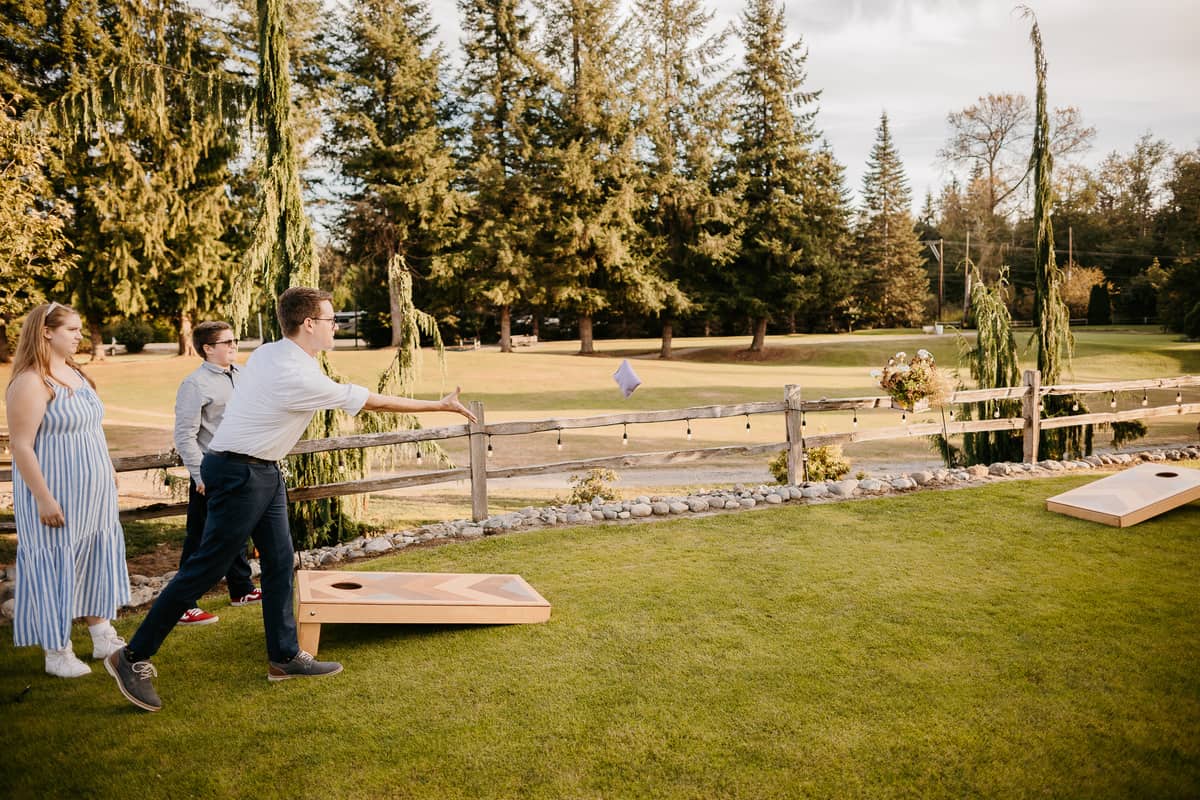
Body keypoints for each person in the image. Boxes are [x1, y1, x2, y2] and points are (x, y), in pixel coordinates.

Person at [106, 287, 477, 711]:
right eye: (332, 320)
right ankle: (132, 656)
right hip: (239, 471)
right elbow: (372, 402)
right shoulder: (297, 376)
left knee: (282, 560)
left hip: (261, 469)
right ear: (309, 325)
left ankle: (284, 657)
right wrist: (439, 405)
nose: (337, 326)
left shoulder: (270, 352)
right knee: (205, 568)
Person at [6, 302, 130, 677]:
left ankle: (101, 634)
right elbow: (21, 446)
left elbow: (93, 429)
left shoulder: (74, 373)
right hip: (54, 492)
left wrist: (107, 467)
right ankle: (56, 651)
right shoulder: (30, 381)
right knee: (55, 564)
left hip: (92, 493)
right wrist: (43, 498)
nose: (80, 336)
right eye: (72, 330)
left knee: (93, 558)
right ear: (47, 332)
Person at [172, 321, 261, 626]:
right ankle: (182, 605)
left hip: (243, 467)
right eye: (227, 342)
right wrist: (200, 477)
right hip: (211, 474)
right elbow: (185, 436)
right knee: (199, 539)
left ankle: (241, 590)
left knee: (237, 531)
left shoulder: (243, 374)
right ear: (208, 349)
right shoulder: (194, 384)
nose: (234, 346)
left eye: (235, 340)